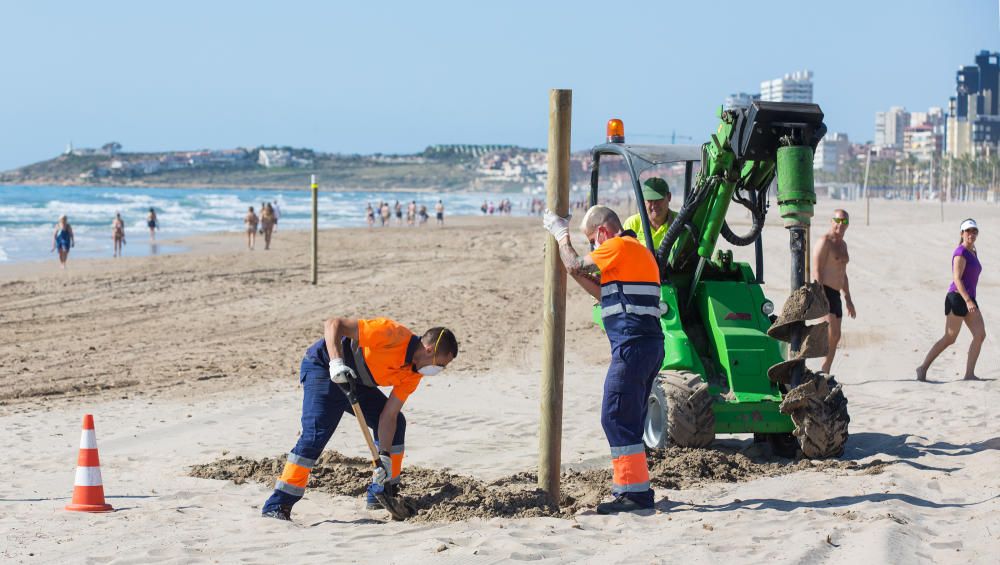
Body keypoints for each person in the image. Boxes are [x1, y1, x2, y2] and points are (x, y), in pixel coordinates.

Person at [260, 317, 458, 521]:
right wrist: (336, 363)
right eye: (440, 364)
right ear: (428, 350)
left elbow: (389, 415)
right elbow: (333, 324)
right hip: (323, 367)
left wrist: (384, 456)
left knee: (397, 423)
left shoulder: (413, 374)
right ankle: (278, 504)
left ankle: (381, 491)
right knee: (316, 434)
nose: (439, 370)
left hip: (356, 381)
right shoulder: (391, 334)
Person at [543, 205, 664, 514]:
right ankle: (636, 490)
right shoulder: (637, 252)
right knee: (629, 418)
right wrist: (574, 272)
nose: (593, 247)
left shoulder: (617, 246)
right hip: (648, 347)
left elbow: (573, 263)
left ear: (601, 233)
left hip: (632, 348)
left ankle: (633, 494)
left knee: (613, 416)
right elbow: (602, 293)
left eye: (591, 240)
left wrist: (561, 235)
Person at [916, 219, 986, 382]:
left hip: (969, 298)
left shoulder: (973, 252)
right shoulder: (960, 252)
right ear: (962, 233)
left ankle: (969, 374)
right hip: (957, 297)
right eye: (968, 231)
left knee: (980, 334)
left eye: (974, 231)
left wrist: (970, 300)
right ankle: (923, 367)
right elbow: (957, 278)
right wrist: (968, 300)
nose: (972, 234)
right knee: (950, 338)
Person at [811, 209, 857, 374]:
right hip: (824, 291)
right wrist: (821, 296)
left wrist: (848, 299)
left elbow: (843, 274)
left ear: (848, 225)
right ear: (832, 221)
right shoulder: (825, 242)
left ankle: (825, 370)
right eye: (838, 221)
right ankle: (813, 364)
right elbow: (817, 270)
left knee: (836, 336)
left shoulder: (843, 245)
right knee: (830, 332)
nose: (840, 224)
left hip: (836, 293)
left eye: (844, 222)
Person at [623, 177, 676, 252]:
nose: (654, 205)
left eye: (658, 200)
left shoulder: (680, 221)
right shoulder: (632, 224)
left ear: (669, 197)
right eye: (650, 200)